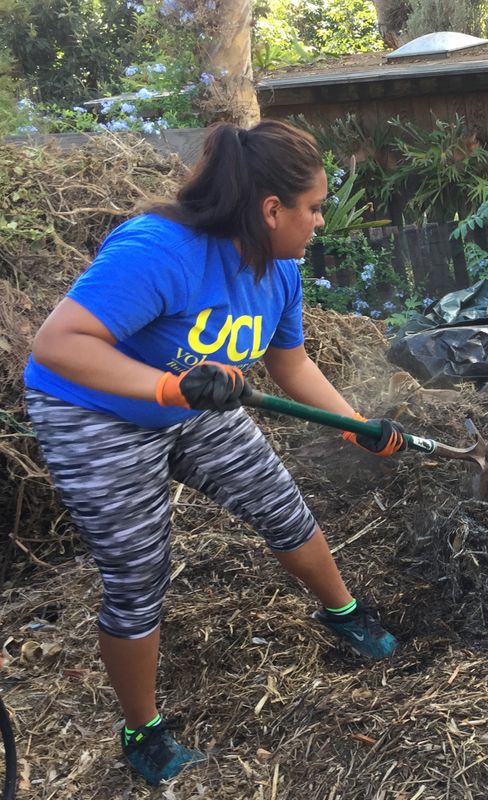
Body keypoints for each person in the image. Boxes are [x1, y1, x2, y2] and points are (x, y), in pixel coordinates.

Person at [23, 119, 405, 785]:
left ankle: (344, 611)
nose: (318, 222)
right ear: (271, 209)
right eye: (313, 208)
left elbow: (291, 366)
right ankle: (142, 729)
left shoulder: (278, 270)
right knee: (139, 576)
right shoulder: (161, 249)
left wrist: (355, 424)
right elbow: (60, 344)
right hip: (96, 413)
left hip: (197, 402)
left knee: (280, 506)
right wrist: (169, 388)